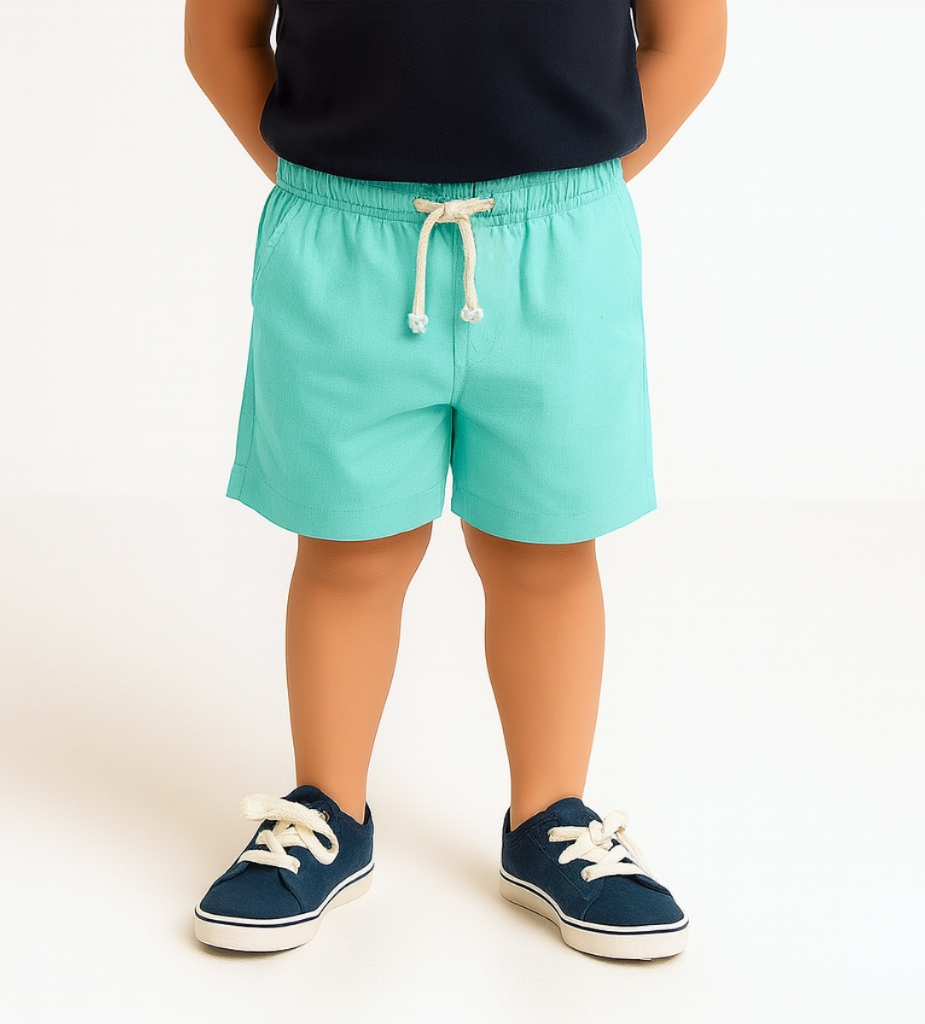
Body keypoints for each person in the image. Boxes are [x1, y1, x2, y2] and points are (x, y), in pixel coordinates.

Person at [184, 0, 726, 960]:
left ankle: (552, 816)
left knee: (545, 549)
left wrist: (572, 188)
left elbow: (690, 40)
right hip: (342, 240)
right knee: (348, 547)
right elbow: (218, 37)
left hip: (561, 243)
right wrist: (327, 186)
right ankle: (327, 808)